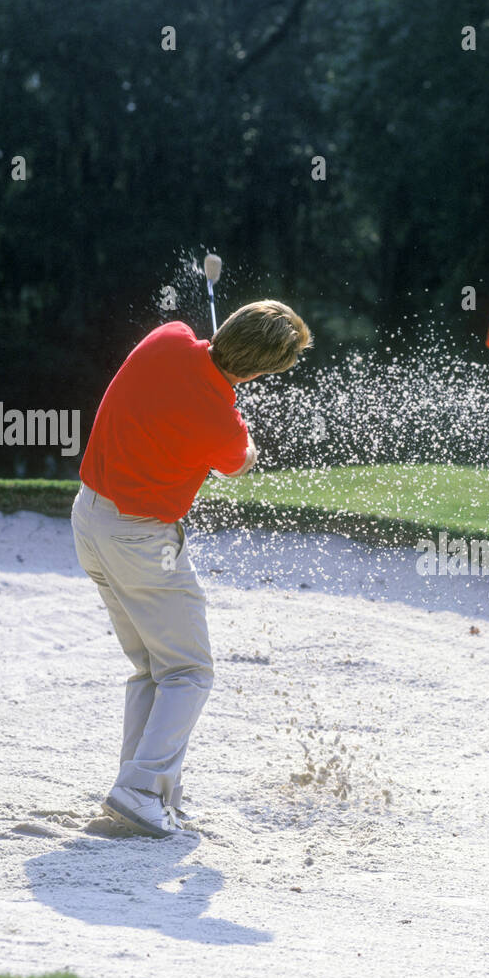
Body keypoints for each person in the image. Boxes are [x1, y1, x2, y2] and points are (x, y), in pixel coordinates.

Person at [72, 300, 312, 837]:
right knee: (190, 671)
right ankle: (139, 789)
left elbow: (188, 377)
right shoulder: (224, 425)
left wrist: (221, 399)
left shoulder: (170, 336)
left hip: (87, 518)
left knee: (154, 668)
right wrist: (238, 427)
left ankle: (147, 791)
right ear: (257, 371)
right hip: (141, 539)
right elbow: (239, 461)